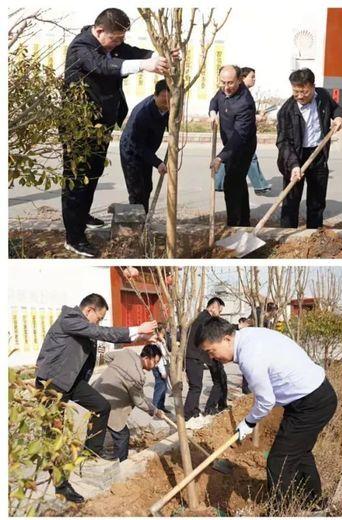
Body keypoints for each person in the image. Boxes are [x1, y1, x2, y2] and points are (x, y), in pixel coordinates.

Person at [61, 8, 177, 257]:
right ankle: (74, 236)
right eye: (115, 38)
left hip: (101, 125)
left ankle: (81, 215)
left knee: (92, 174)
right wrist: (144, 66)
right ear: (100, 31)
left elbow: (135, 53)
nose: (119, 44)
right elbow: (102, 66)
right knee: (76, 180)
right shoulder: (82, 47)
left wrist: (161, 56)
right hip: (78, 128)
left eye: (121, 39)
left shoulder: (112, 43)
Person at [195, 318, 338, 509]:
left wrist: (248, 423)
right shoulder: (247, 336)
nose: (212, 357)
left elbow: (266, 401)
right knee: (299, 453)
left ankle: (281, 511)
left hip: (311, 403)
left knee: (278, 460)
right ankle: (314, 503)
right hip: (312, 396)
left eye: (211, 351)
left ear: (227, 339)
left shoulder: (249, 356)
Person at [34, 293, 157, 503]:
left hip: (71, 381)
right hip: (52, 383)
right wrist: (136, 329)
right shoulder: (70, 319)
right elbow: (100, 332)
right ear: (89, 311)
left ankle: (90, 454)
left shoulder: (82, 325)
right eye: (99, 318)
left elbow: (99, 335)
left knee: (101, 406)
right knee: (54, 434)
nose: (99, 322)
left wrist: (140, 338)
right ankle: (61, 486)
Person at [276, 68, 342, 229]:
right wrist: (293, 165)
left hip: (318, 153)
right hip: (294, 157)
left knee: (317, 201)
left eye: (304, 92)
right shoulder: (286, 111)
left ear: (313, 86)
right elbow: (283, 142)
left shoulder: (322, 95)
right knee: (290, 201)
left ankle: (314, 233)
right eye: (296, 92)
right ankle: (286, 236)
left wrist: (339, 117)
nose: (300, 96)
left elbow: (336, 108)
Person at [93, 344, 165, 462]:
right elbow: (139, 401)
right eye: (155, 362)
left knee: (96, 428)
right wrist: (155, 411)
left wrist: (115, 373)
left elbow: (107, 357)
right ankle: (121, 463)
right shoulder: (137, 376)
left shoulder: (127, 353)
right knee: (122, 435)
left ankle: (93, 450)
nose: (155, 365)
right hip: (109, 404)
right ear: (147, 358)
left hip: (95, 393)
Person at [209, 65, 257, 226]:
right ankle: (244, 222)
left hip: (242, 147)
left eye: (230, 83)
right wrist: (213, 113)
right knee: (238, 183)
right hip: (228, 144)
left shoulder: (245, 102)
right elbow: (215, 100)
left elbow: (239, 137)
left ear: (239, 80)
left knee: (231, 184)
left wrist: (220, 158)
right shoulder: (224, 89)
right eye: (223, 82)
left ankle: (234, 224)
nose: (226, 87)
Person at [119, 79, 170, 213]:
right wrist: (158, 163)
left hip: (147, 150)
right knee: (137, 190)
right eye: (163, 98)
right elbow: (137, 144)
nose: (166, 103)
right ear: (155, 95)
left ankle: (144, 220)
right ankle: (137, 225)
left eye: (169, 99)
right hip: (131, 150)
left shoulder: (169, 106)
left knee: (147, 186)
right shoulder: (143, 114)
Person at [184, 297, 227, 420]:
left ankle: (195, 412)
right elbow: (218, 327)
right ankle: (187, 416)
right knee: (195, 387)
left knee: (196, 386)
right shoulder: (205, 319)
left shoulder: (201, 318)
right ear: (213, 307)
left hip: (195, 356)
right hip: (194, 356)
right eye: (220, 311)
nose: (219, 314)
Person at [240, 67, 272, 195]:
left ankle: (219, 183)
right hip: (240, 132)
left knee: (230, 158)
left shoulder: (245, 92)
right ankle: (260, 185)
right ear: (243, 77)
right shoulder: (241, 92)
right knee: (250, 157)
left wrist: (257, 113)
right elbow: (240, 113)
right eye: (252, 77)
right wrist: (256, 117)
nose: (254, 79)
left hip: (245, 132)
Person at [152, 325, 171, 414]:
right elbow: (158, 359)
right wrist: (162, 371)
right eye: (162, 333)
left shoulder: (162, 342)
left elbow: (167, 353)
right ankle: (154, 408)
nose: (164, 335)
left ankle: (161, 406)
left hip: (164, 366)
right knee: (160, 388)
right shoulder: (156, 343)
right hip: (159, 368)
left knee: (163, 388)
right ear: (158, 333)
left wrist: (163, 342)